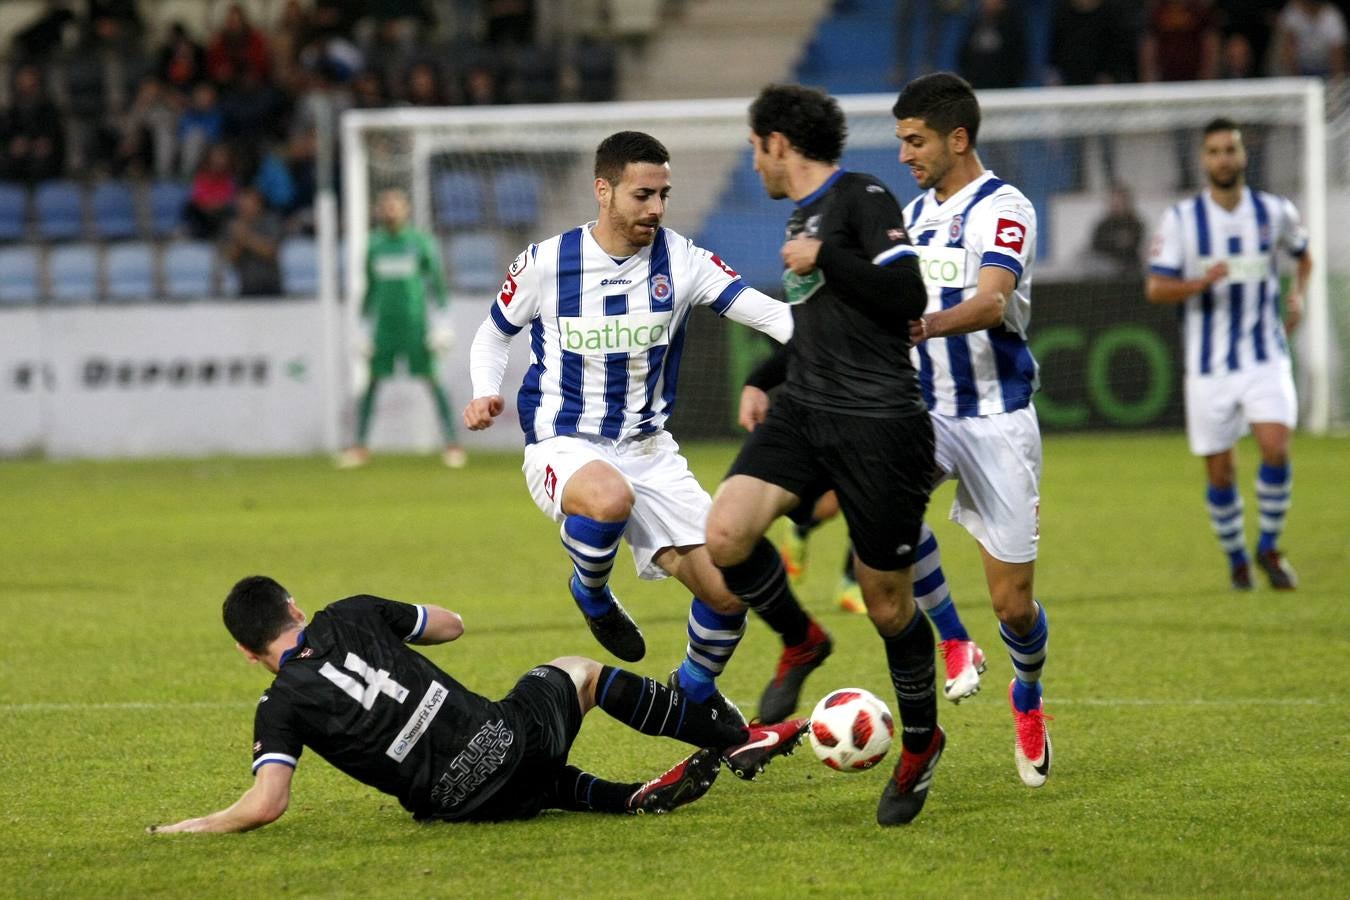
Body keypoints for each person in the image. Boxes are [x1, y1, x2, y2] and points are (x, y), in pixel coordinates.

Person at [463, 131, 793, 728]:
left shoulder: (683, 260)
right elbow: (493, 333)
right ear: (603, 190)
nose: (657, 209)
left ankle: (690, 694)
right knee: (610, 497)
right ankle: (591, 593)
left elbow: (768, 313)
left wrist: (850, 344)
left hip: (651, 451)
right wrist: (486, 390)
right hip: (563, 444)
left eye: (664, 194)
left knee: (728, 594)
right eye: (644, 195)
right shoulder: (547, 261)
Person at [701, 84, 941, 826]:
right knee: (725, 532)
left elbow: (907, 293)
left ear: (778, 143)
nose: (754, 162)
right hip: (805, 410)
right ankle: (801, 641)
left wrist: (826, 255)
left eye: (754, 147)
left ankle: (921, 743)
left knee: (888, 603)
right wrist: (763, 377)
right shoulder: (801, 216)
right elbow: (819, 327)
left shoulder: (862, 196)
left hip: (880, 424)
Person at [146, 576, 808, 833]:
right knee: (573, 672)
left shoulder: (277, 705)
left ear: (246, 651)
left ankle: (625, 798)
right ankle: (731, 738)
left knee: (525, 778)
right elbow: (451, 625)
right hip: (506, 742)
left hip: (453, 807)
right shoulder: (347, 613)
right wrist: (400, 622)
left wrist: (186, 827)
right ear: (293, 606)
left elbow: (267, 803)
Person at [894, 72, 1052, 790]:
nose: (905, 154)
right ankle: (956, 642)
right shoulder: (912, 216)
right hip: (928, 410)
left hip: (997, 415)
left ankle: (1027, 691)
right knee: (882, 509)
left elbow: (991, 304)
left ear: (957, 139)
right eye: (901, 141)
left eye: (915, 140)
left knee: (1014, 605)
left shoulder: (1006, 207)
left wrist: (922, 323)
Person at [1145, 117, 1309, 591]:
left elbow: (1304, 254)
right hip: (1209, 365)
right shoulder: (1182, 220)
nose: (1223, 158)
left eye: (1230, 150)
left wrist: (1297, 294)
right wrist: (1199, 282)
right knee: (1221, 473)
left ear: (1243, 155)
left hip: (1265, 356)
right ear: (1203, 159)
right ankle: (1238, 558)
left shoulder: (1274, 211)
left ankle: (1270, 547)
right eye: (1214, 151)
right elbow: (1156, 287)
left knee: (1276, 446)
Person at [339, 188, 466, 469]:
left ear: (406, 209)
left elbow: (437, 286)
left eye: (395, 205)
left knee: (433, 381)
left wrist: (443, 325)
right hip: (385, 327)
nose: (390, 210)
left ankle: (452, 444)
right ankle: (360, 446)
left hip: (416, 326)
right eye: (385, 205)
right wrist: (361, 329)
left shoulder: (420, 242)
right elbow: (370, 289)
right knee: (371, 382)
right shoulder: (373, 244)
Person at [221, 187, 283, 297]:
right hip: (246, 287)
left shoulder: (270, 222)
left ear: (259, 204)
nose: (244, 207)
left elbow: (271, 251)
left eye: (248, 203)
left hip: (271, 286)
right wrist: (238, 240)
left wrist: (245, 237)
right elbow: (230, 259)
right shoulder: (234, 225)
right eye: (241, 204)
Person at [1089, 184, 1146, 273]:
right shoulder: (1103, 224)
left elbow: (1131, 246)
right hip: (1104, 264)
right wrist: (1116, 241)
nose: (1116, 204)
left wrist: (1111, 242)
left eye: (1119, 201)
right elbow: (1095, 245)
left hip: (1127, 266)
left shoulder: (1134, 223)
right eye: (1113, 201)